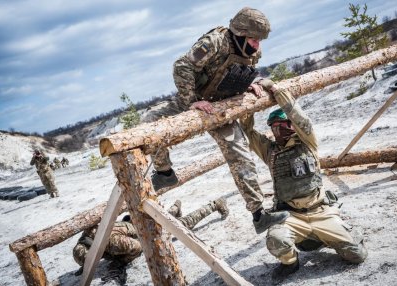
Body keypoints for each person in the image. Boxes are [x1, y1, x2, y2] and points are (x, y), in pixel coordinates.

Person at [143, 7, 288, 234]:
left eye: (259, 40)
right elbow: (182, 66)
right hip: (194, 99)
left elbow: (246, 71)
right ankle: (164, 173)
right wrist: (191, 101)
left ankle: (259, 214)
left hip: (220, 106)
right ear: (239, 33)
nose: (257, 45)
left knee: (240, 152)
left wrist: (250, 83)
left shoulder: (251, 52)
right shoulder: (215, 42)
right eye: (253, 39)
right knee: (151, 120)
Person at [240, 79, 368, 280]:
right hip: (290, 216)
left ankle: (329, 234)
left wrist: (275, 89)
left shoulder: (308, 142)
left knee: (357, 255)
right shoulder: (270, 152)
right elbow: (248, 132)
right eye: (273, 128)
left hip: (321, 211)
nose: (276, 132)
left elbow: (298, 116)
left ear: (290, 125)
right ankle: (291, 263)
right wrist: (248, 103)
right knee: (275, 239)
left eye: (281, 126)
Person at [73, 198, 229, 282]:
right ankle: (175, 208)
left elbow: (138, 248)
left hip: (141, 230)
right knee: (163, 217)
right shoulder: (87, 237)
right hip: (131, 223)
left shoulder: (112, 243)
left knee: (181, 226)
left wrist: (121, 261)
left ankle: (215, 204)